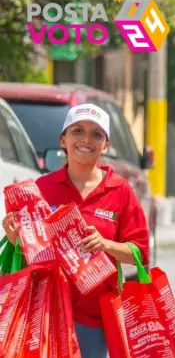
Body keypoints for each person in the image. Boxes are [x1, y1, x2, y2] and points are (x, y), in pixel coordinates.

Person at [2, 103, 150, 358]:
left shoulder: (120, 190)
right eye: (77, 131)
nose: (86, 139)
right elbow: (28, 251)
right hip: (46, 313)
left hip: (93, 318)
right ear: (63, 140)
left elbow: (139, 254)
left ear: (106, 145)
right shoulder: (42, 187)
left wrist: (105, 244)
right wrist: (15, 236)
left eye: (96, 134)